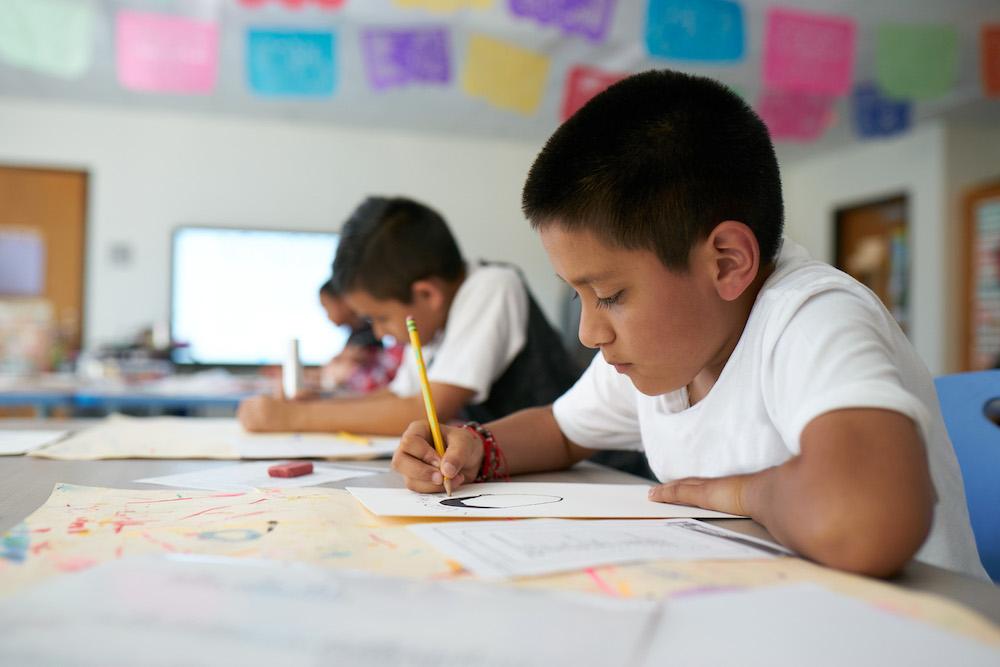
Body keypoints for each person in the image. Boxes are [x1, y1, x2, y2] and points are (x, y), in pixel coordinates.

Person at [392, 70, 987, 580]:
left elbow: (868, 520)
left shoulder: (809, 318)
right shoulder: (672, 351)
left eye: (610, 295)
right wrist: (477, 446)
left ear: (726, 262)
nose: (589, 333)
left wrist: (741, 492)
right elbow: (562, 430)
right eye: (581, 298)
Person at [238, 196, 580, 435]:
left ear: (426, 295)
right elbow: (399, 397)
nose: (381, 332)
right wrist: (327, 404)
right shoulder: (434, 321)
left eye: (381, 318)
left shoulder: (493, 287)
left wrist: (297, 417)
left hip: (594, 470)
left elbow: (424, 410)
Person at [316, 278, 403, 394]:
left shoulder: (368, 336)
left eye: (326, 306)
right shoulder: (354, 337)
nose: (380, 334)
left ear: (344, 301)